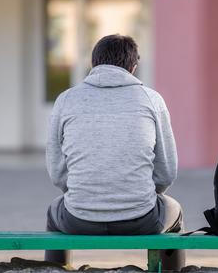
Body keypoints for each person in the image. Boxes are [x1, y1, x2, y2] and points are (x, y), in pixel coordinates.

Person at [44, 34, 185, 270]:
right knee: (176, 211)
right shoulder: (151, 100)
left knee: (53, 211)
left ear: (94, 64)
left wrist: (86, 193)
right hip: (141, 218)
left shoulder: (66, 100)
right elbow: (167, 172)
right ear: (133, 67)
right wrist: (142, 194)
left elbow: (57, 172)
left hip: (79, 218)